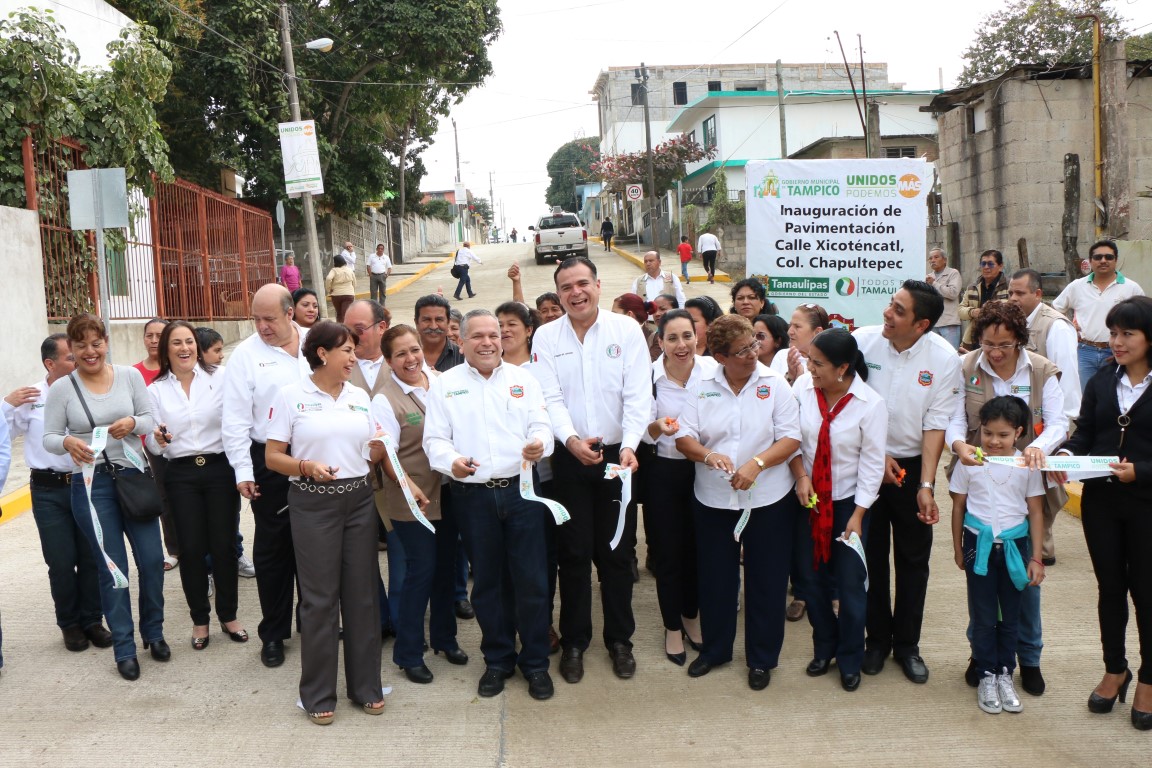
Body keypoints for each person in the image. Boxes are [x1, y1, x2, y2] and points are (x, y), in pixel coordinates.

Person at [424, 309, 557, 700]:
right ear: (460, 341)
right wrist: (452, 463)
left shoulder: (523, 380)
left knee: (532, 581)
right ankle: (498, 660)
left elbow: (542, 426)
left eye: (494, 335)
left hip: (523, 493)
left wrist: (540, 444)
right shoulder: (445, 385)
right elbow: (435, 440)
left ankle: (535, 664)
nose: (487, 342)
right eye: (478, 336)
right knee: (487, 584)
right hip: (473, 496)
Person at [530, 256, 651, 683]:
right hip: (569, 457)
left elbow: (638, 395)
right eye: (566, 288)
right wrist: (571, 441)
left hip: (621, 457)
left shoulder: (626, 330)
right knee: (574, 555)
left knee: (617, 554)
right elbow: (550, 397)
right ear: (558, 294)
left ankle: (620, 641)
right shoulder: (546, 336)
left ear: (598, 286)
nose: (575, 293)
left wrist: (632, 446)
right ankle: (575, 642)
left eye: (582, 284)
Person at [945, 300, 1068, 697]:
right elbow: (952, 417)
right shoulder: (966, 367)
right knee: (982, 585)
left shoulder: (1040, 370)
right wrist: (959, 444)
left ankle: (1027, 658)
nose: (994, 353)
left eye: (1004, 345)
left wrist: (1040, 447)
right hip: (978, 481)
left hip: (1025, 483)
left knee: (1024, 581)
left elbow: (1060, 419)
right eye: (987, 343)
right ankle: (981, 657)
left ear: (1020, 340)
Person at [266, 320, 385, 724]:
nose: (354, 357)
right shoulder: (290, 396)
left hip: (358, 501)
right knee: (319, 601)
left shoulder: (359, 397)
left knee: (362, 595)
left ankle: (366, 687)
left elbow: (371, 451)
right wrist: (304, 465)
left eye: (354, 350)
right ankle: (317, 694)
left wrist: (382, 451)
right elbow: (272, 457)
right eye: (347, 350)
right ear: (322, 353)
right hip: (312, 503)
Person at [673, 315, 801, 690]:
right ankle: (715, 650)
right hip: (713, 500)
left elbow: (791, 438)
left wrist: (757, 463)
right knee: (715, 579)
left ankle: (761, 659)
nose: (752, 354)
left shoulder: (775, 385)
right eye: (742, 350)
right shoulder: (702, 388)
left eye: (754, 344)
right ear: (719, 356)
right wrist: (709, 456)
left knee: (767, 580)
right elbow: (684, 437)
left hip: (767, 500)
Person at [43, 313, 167, 681]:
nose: (89, 352)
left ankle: (155, 633)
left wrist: (133, 424)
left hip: (132, 478)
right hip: (91, 487)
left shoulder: (128, 377)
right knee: (113, 570)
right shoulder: (63, 389)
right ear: (72, 348)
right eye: (80, 346)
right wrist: (67, 441)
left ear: (106, 343)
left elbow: (149, 418)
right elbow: (49, 438)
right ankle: (124, 649)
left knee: (151, 560)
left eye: (96, 343)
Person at [854, 280, 962, 684]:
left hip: (914, 468)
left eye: (899, 310)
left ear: (921, 324)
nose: (888, 313)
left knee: (914, 561)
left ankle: (908, 646)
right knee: (872, 556)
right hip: (866, 463)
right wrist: (876, 454)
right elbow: (849, 402)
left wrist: (925, 486)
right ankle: (877, 641)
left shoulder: (944, 358)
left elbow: (936, 424)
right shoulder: (863, 343)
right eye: (890, 304)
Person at [1056, 295, 1152, 730]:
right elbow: (1087, 436)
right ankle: (1116, 669)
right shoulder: (1102, 381)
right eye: (1113, 333)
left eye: (1127, 333)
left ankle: (1149, 678)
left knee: (1146, 593)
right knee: (1110, 588)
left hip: (1147, 503)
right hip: (1101, 502)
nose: (1116, 342)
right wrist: (1064, 455)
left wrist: (1143, 471)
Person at [788, 329, 888, 692]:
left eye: (818, 363)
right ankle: (823, 648)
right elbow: (789, 437)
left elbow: (873, 465)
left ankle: (850, 657)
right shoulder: (802, 389)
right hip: (809, 498)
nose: (809, 368)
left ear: (843, 367)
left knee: (850, 587)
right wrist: (800, 476)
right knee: (812, 582)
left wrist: (858, 515)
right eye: (809, 360)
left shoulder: (870, 404)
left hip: (849, 503)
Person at [3, 335, 111, 654]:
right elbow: (3, 436)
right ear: (50, 364)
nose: (78, 361)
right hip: (48, 490)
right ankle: (70, 624)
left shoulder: (89, 389)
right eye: (69, 357)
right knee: (61, 562)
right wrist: (6, 405)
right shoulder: (31, 398)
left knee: (91, 556)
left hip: (85, 483)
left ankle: (92, 620)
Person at [222, 284, 310, 669]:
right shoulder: (246, 356)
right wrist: (243, 470)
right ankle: (273, 633)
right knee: (274, 550)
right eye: (256, 319)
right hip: (270, 461)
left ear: (290, 313)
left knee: (316, 544)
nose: (261, 326)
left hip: (318, 455)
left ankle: (313, 618)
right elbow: (235, 420)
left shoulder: (316, 342)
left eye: (269, 319)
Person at [145, 320, 248, 651]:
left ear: (197, 346)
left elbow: (237, 421)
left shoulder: (220, 378)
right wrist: (158, 439)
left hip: (219, 469)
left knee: (224, 546)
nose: (184, 348)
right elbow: (151, 439)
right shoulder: (156, 389)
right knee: (190, 550)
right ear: (166, 350)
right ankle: (200, 621)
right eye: (176, 343)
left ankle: (229, 616)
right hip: (181, 474)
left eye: (188, 341)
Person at [372, 324, 462, 683]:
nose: (411, 359)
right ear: (389, 361)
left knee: (446, 568)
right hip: (412, 500)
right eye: (401, 354)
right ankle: (408, 653)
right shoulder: (384, 399)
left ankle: (445, 639)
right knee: (419, 573)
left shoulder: (440, 382)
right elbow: (385, 456)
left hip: (449, 493)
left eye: (414, 350)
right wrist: (410, 488)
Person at [950, 396, 1046, 715]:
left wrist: (1036, 558)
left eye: (1003, 435)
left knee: (1011, 616)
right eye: (988, 433)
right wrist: (957, 547)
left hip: (1016, 549)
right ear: (980, 431)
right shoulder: (970, 462)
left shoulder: (1026, 466)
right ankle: (986, 675)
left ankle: (1006, 674)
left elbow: (1035, 510)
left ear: (1018, 432)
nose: (994, 441)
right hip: (979, 545)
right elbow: (959, 507)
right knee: (984, 616)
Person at [642, 309, 713, 666]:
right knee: (668, 553)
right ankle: (672, 626)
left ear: (697, 337)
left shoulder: (714, 372)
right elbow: (641, 431)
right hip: (664, 473)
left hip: (706, 472)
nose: (681, 345)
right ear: (660, 343)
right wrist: (657, 426)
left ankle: (692, 615)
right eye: (672, 338)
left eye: (687, 336)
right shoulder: (649, 378)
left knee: (698, 550)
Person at [1007, 267, 1081, 564]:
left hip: (1049, 420)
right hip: (1016, 419)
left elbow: (1067, 378)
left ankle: (1044, 543)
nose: (1013, 298)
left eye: (1020, 293)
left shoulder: (1056, 327)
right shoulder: (1015, 323)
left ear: (1038, 294)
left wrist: (1062, 426)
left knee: (1048, 484)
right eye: (1010, 292)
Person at [194, 327, 255, 579]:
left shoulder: (226, 375)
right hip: (197, 461)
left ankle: (236, 553)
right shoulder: (182, 380)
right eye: (216, 350)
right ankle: (207, 568)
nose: (221, 355)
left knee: (230, 515)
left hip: (225, 456)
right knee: (202, 522)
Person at [1053, 239, 1145, 392]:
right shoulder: (1077, 286)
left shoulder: (1131, 288)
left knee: (1115, 394)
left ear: (1116, 260)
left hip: (1118, 352)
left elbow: (1144, 318)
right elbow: (1055, 308)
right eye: (1098, 257)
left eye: (1108, 257)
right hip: (1084, 351)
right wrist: (1068, 324)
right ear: (1090, 261)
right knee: (1086, 394)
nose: (1103, 260)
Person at [134, 319, 181, 571]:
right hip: (152, 444)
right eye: (149, 335)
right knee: (164, 495)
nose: (153, 340)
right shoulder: (134, 373)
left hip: (183, 443)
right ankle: (174, 548)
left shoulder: (178, 367)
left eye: (159, 335)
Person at [958, 249, 1010, 351]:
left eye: (990, 264)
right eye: (983, 264)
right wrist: (972, 312)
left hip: (999, 338)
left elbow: (1013, 308)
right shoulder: (972, 287)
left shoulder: (1009, 286)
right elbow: (960, 310)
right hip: (974, 339)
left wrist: (990, 311)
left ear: (1000, 266)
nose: (986, 267)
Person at [772, 304, 831, 391]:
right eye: (790, 325)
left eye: (797, 326)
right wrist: (790, 376)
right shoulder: (782, 356)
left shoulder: (829, 362)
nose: (789, 332)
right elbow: (771, 395)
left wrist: (801, 378)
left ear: (817, 332)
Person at [415, 294, 465, 373]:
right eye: (427, 320)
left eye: (439, 319)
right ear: (416, 322)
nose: (433, 326)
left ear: (448, 322)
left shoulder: (464, 358)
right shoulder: (403, 357)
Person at [926, 248, 963, 349]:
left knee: (950, 355)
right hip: (933, 323)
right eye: (930, 258)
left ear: (945, 260)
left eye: (936, 257)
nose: (932, 260)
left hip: (949, 323)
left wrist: (934, 284)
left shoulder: (953, 273)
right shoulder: (928, 277)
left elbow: (953, 293)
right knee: (933, 356)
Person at [613, 293, 659, 362]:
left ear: (629, 315)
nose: (611, 317)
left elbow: (647, 365)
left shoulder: (656, 339)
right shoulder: (612, 335)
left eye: (615, 314)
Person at [325, 254, 357, 323]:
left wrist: (329, 289)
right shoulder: (350, 270)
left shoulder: (334, 270)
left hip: (336, 294)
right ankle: (346, 329)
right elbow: (354, 282)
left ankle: (339, 329)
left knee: (339, 313)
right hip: (349, 294)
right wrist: (352, 290)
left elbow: (328, 278)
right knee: (346, 313)